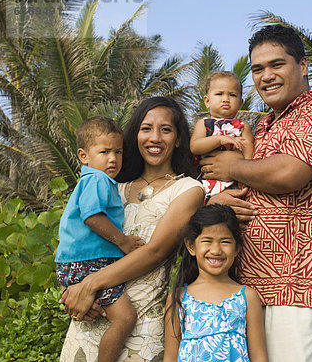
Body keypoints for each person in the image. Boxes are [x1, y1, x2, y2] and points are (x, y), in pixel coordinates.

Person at [200, 24, 312, 362]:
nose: (266, 76)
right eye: (258, 69)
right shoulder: (265, 124)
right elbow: (249, 187)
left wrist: (231, 167)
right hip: (252, 287)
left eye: (276, 64)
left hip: (303, 284)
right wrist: (218, 200)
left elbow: (290, 173)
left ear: (302, 66)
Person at [59, 97, 205, 362]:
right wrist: (72, 288)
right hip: (93, 312)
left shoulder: (189, 190)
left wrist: (88, 284)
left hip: (142, 322)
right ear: (135, 135)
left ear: (180, 138)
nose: (155, 138)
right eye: (146, 128)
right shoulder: (112, 187)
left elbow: (155, 252)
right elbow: (79, 238)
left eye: (166, 129)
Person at [55, 116, 144, 362]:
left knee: (94, 312)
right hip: (90, 261)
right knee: (125, 318)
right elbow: (92, 217)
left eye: (118, 151)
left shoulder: (91, 180)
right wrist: (123, 242)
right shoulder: (97, 179)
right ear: (84, 156)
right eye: (104, 152)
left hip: (74, 262)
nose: (113, 158)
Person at [163, 204, 267, 362]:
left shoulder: (247, 297)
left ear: (237, 248)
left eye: (225, 242)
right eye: (207, 241)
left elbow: (259, 356)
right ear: (191, 246)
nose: (216, 250)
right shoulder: (179, 298)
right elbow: (170, 357)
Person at [190, 71, 254, 198]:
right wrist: (219, 139)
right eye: (219, 94)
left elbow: (248, 149)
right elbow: (195, 147)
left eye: (232, 95)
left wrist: (246, 173)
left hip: (236, 179)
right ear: (207, 101)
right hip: (208, 180)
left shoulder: (242, 125)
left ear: (240, 103)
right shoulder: (204, 124)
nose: (226, 99)